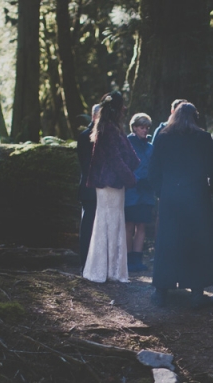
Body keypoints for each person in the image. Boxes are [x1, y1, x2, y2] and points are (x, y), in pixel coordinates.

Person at [148, 102, 213, 309]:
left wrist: (161, 192)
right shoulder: (203, 138)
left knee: (167, 241)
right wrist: (211, 190)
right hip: (196, 196)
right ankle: (197, 292)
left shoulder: (162, 137)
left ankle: (161, 291)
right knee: (196, 241)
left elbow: (153, 170)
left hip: (171, 196)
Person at [82, 91, 139, 283]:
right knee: (107, 222)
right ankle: (103, 270)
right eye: (122, 105)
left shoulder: (112, 127)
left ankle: (112, 270)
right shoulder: (108, 128)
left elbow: (128, 155)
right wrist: (130, 178)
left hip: (114, 183)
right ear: (116, 108)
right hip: (108, 184)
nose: (124, 109)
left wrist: (131, 167)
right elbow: (115, 158)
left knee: (114, 222)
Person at [125, 113, 155, 272]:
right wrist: (136, 180)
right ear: (135, 127)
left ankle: (137, 259)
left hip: (146, 192)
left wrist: (150, 182)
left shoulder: (151, 146)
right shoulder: (127, 143)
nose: (145, 130)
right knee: (129, 225)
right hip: (131, 191)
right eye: (142, 127)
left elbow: (154, 166)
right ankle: (128, 260)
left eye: (147, 127)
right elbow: (124, 165)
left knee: (142, 225)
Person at [76, 104, 101, 272]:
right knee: (88, 225)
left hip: (102, 188)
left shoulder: (106, 135)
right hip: (89, 188)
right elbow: (86, 166)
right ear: (93, 117)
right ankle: (84, 262)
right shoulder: (85, 136)